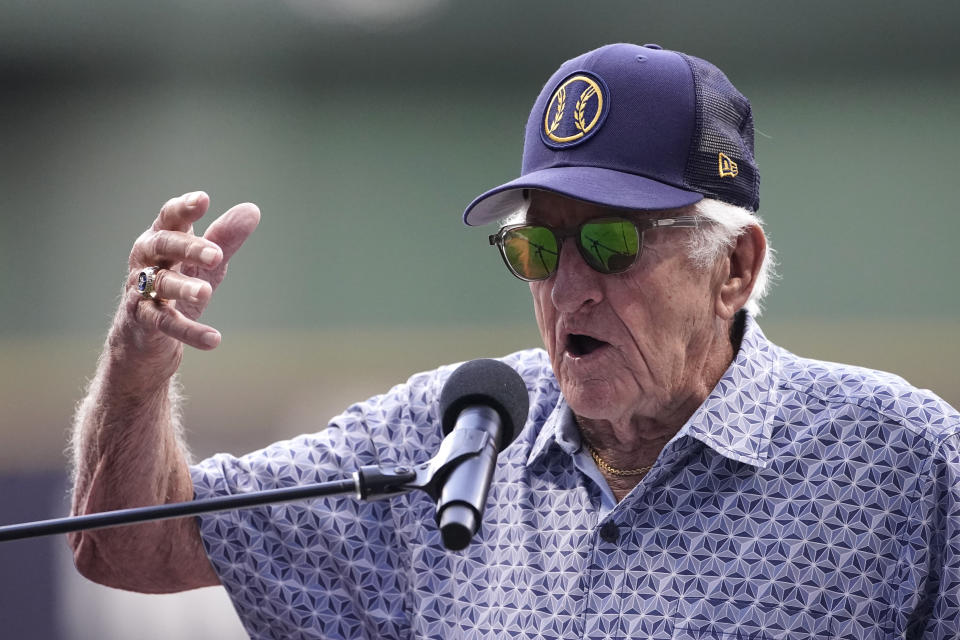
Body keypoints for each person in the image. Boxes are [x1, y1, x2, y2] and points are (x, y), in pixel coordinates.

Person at [69, 43, 959, 639]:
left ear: (734, 266)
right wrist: (136, 368)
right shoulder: (451, 434)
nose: (568, 285)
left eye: (613, 242)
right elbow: (128, 544)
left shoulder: (902, 461)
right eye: (538, 247)